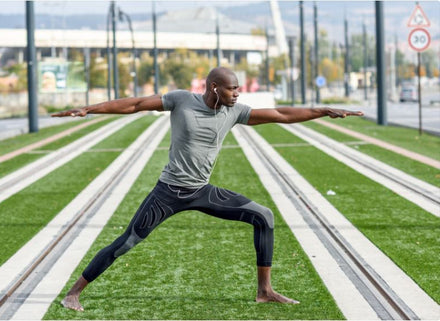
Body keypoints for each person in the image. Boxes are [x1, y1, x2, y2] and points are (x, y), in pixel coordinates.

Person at [52, 67, 363, 311]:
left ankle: (264, 291)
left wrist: (323, 110)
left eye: (239, 88)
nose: (237, 94)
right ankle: (73, 294)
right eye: (232, 88)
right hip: (168, 193)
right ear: (215, 87)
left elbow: (281, 114)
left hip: (201, 191)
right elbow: (134, 104)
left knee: (264, 216)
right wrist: (89, 109)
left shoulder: (234, 112)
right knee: (126, 243)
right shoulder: (180, 99)